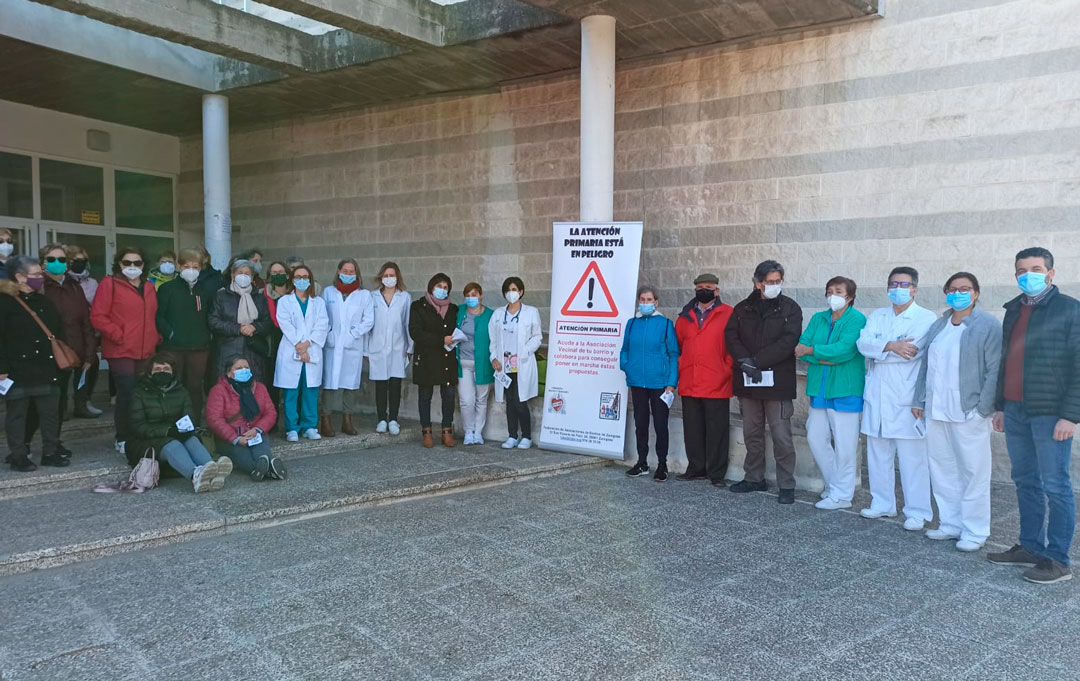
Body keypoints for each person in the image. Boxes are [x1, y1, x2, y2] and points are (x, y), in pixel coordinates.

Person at [988, 247, 1079, 584]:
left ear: (1051, 273)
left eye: (1036, 268)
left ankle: (1057, 559)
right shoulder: (1013, 310)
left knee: (1056, 485)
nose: (1029, 274)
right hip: (1014, 409)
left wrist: (1070, 416)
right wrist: (1000, 405)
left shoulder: (1070, 310)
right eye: (1022, 270)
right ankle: (1029, 546)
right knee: (1025, 481)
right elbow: (1006, 361)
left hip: (1050, 413)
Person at [911, 272, 1001, 553]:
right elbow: (925, 366)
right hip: (936, 410)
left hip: (969, 411)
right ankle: (950, 523)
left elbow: (995, 369)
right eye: (952, 289)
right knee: (941, 468)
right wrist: (919, 400)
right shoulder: (940, 325)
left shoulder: (987, 324)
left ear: (976, 293)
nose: (958, 293)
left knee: (973, 472)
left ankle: (975, 530)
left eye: (965, 289)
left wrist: (983, 408)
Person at [856, 266, 937, 530]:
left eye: (904, 285)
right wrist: (891, 345)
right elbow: (863, 345)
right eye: (893, 284)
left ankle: (918, 511)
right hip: (876, 392)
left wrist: (880, 347)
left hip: (905, 394)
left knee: (912, 457)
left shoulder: (925, 317)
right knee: (878, 452)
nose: (898, 289)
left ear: (914, 288)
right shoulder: (878, 315)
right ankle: (882, 503)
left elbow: (912, 351)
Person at [725, 260, 803, 504]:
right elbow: (731, 336)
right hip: (748, 381)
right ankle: (754, 477)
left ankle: (787, 484)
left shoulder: (790, 308)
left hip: (777, 383)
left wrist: (755, 361)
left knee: (781, 436)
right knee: (752, 433)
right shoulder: (742, 308)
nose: (775, 285)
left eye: (778, 281)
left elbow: (788, 341)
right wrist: (745, 362)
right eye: (770, 282)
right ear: (758, 283)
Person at [795, 276, 867, 510]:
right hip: (820, 387)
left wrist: (814, 352)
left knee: (845, 445)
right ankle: (834, 485)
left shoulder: (857, 320)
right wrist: (822, 357)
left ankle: (842, 495)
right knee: (815, 437)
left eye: (838, 291)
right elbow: (800, 349)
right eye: (829, 291)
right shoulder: (819, 318)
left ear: (850, 297)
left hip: (845, 388)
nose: (832, 295)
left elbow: (845, 350)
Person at [23, 244, 96, 457]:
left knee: (59, 404)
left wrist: (89, 354)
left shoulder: (74, 286)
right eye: (51, 259)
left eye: (62, 259)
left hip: (69, 354)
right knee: (36, 406)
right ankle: (24, 444)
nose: (58, 263)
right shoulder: (37, 286)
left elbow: (85, 322)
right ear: (43, 261)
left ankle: (54, 442)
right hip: (43, 356)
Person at [90, 246, 159, 455]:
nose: (132, 267)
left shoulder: (148, 286)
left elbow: (152, 316)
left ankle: (139, 432)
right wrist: (118, 334)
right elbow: (98, 316)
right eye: (127, 263)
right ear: (119, 264)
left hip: (145, 349)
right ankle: (122, 436)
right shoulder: (109, 284)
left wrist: (157, 337)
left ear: (143, 265)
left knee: (141, 394)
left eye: (136, 263)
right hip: (120, 349)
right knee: (127, 393)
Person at [129, 354, 232, 492]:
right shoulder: (139, 393)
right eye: (158, 369)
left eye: (166, 368)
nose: (162, 371)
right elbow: (138, 426)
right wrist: (168, 431)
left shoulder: (181, 391)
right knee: (173, 444)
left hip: (176, 432)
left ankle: (212, 469)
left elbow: (189, 416)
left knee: (192, 440)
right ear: (149, 373)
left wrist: (185, 429)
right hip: (148, 441)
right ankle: (195, 475)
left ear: (173, 372)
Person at [1, 256, 66, 471]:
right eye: (36, 274)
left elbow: (57, 331)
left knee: (50, 413)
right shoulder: (5, 302)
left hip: (46, 368)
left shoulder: (44, 302)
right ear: (19, 277)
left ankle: (50, 452)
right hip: (17, 369)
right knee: (17, 415)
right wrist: (2, 369)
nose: (41, 278)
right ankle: (19, 455)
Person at [623, 285, 680, 482]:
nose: (645, 303)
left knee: (660, 424)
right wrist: (627, 366)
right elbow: (625, 350)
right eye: (642, 300)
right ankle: (642, 462)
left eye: (649, 300)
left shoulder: (665, 324)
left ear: (656, 302)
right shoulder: (631, 324)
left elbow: (674, 355)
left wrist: (671, 382)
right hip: (638, 382)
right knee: (640, 423)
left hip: (660, 383)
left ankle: (662, 464)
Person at [206, 355, 284, 481]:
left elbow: (271, 413)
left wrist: (257, 429)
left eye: (246, 367)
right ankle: (268, 470)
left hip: (255, 433)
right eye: (239, 368)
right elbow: (214, 419)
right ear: (229, 373)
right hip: (230, 438)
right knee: (243, 455)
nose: (244, 370)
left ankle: (264, 469)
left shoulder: (260, 388)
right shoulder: (218, 390)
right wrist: (235, 439)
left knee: (262, 455)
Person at [273, 264, 329, 442]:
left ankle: (310, 426)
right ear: (292, 279)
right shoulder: (284, 301)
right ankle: (292, 428)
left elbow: (323, 324)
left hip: (312, 348)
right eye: (298, 277)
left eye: (305, 277)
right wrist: (299, 345)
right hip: (291, 349)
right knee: (291, 392)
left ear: (310, 280)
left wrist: (307, 344)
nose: (302, 280)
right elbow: (285, 323)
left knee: (310, 390)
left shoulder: (318, 302)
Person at [156, 248, 213, 420]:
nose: (191, 270)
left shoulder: (204, 290)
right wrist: (170, 334)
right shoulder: (167, 288)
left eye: (195, 267)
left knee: (195, 387)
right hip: (174, 347)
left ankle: (193, 421)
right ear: (179, 267)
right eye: (186, 266)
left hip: (199, 348)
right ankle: (174, 419)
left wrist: (206, 336)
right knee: (174, 384)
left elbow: (209, 315)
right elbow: (159, 316)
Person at [320, 258, 374, 437]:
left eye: (352, 272)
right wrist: (329, 335)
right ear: (338, 271)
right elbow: (322, 317)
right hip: (332, 344)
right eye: (346, 270)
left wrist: (352, 335)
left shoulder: (364, 295)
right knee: (329, 383)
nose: (349, 274)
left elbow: (368, 320)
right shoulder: (329, 292)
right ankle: (325, 420)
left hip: (352, 345)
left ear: (357, 273)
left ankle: (347, 420)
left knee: (350, 384)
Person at [488, 276, 543, 450]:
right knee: (510, 400)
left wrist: (526, 351)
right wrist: (493, 358)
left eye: (514, 290)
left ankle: (526, 436)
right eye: (508, 290)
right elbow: (493, 340)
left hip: (522, 363)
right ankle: (512, 436)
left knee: (520, 400)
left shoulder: (531, 312)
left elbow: (537, 336)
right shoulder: (498, 314)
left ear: (521, 292)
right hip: (504, 365)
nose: (511, 293)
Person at [410, 273, 459, 448]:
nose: (442, 290)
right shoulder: (418, 306)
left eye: (445, 288)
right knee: (425, 395)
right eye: (439, 286)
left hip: (446, 358)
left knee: (448, 395)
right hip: (427, 358)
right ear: (431, 287)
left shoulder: (453, 309)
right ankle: (427, 431)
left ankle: (447, 430)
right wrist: (440, 340)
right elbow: (415, 332)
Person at [209, 259, 273, 384]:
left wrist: (254, 327)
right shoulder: (221, 296)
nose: (243, 276)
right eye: (239, 272)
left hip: (253, 350)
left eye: (247, 273)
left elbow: (268, 322)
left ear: (252, 277)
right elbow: (213, 321)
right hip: (227, 349)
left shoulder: (259, 298)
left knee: (253, 387)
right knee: (227, 387)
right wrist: (238, 328)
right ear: (233, 275)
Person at [368, 262, 412, 435]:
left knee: (395, 383)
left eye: (391, 275)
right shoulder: (372, 297)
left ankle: (393, 419)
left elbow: (407, 323)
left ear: (398, 277)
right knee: (380, 384)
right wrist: (366, 350)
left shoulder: (404, 297)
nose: (389, 278)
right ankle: (381, 419)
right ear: (380, 277)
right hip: (377, 346)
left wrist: (410, 347)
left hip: (398, 346)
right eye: (385, 275)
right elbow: (368, 324)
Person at [65, 244, 103, 417]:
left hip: (87, 331)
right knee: (64, 367)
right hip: (66, 331)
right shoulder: (62, 281)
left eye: (83, 261)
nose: (80, 264)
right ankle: (62, 406)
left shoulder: (92, 282)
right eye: (76, 260)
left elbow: (97, 306)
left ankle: (83, 402)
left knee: (89, 365)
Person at [456, 282, 494, 445]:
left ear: (481, 295)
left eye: (474, 295)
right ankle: (468, 432)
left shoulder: (490, 315)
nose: (471, 298)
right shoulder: (459, 311)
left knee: (481, 399)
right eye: (468, 295)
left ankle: (478, 432)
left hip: (483, 363)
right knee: (466, 400)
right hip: (463, 363)